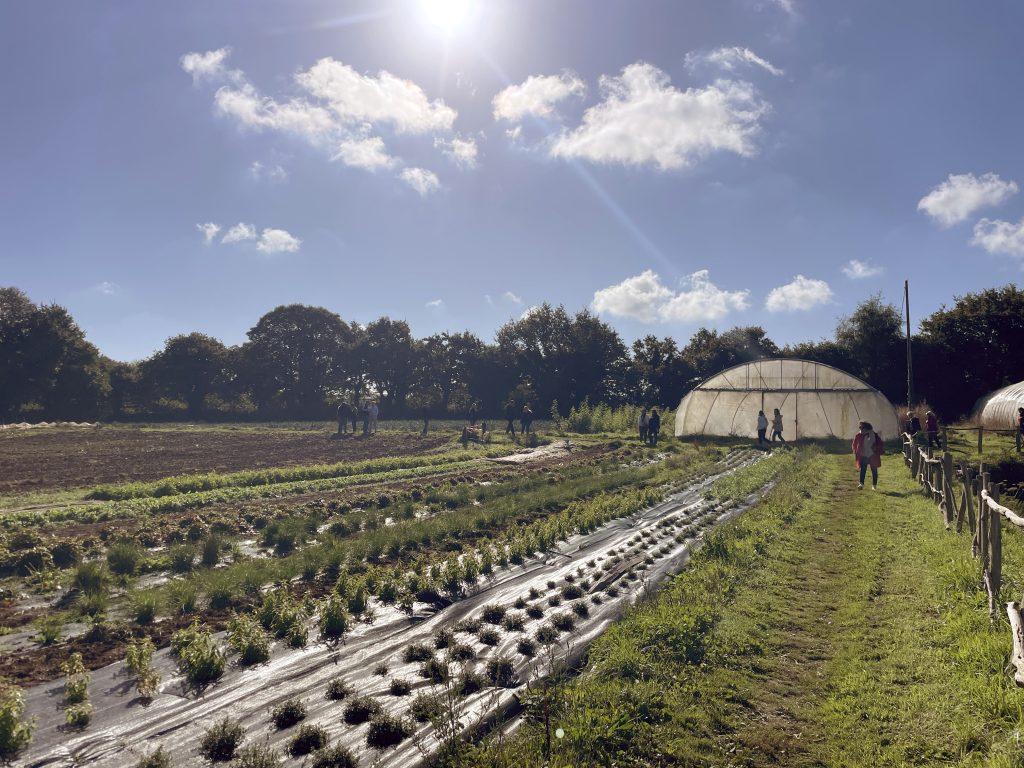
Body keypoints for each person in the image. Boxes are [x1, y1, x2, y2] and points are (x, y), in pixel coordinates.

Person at [852, 420, 884, 490]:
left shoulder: (874, 434)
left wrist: (876, 448)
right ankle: (861, 484)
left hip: (873, 455)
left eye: (861, 427)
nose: (860, 429)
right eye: (860, 427)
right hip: (863, 454)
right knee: (863, 469)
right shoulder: (859, 435)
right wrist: (855, 450)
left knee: (874, 470)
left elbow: (880, 443)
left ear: (866, 428)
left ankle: (874, 485)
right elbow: (854, 443)